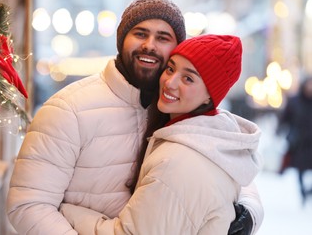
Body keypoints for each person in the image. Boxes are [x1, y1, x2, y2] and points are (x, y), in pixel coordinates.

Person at [6, 0, 263, 235]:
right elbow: (28, 205)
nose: (149, 45)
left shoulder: (180, 106)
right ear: (121, 39)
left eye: (163, 38)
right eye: (140, 34)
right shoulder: (68, 109)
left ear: (177, 48)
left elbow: (224, 164)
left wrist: (250, 211)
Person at [59, 34, 263, 234]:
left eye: (188, 78)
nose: (170, 82)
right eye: (171, 68)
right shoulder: (213, 140)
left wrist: (67, 210)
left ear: (210, 96)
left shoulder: (177, 162)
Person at [277, 76, 312, 204]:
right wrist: (279, 130)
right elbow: (285, 118)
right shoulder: (295, 101)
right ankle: (302, 190)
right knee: (301, 168)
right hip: (299, 142)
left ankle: (308, 191)